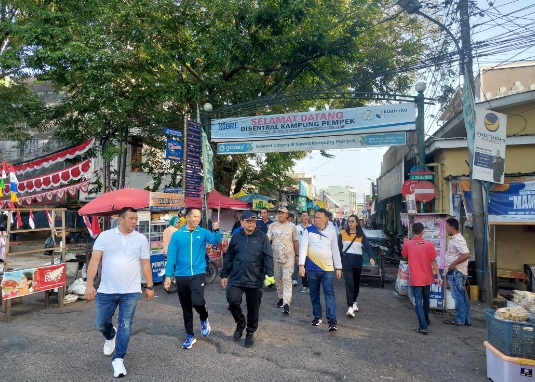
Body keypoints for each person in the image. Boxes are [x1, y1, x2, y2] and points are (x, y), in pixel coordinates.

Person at [84, 207, 154, 378]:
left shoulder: (141, 239)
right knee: (101, 323)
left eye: (136, 219)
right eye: (131, 218)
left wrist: (150, 286)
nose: (134, 221)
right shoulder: (105, 236)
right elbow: (94, 260)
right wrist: (89, 285)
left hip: (130, 290)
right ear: (120, 219)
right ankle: (110, 335)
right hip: (107, 289)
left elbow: (145, 263)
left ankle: (118, 359)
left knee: (126, 324)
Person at [163, 207, 222, 349]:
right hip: (181, 274)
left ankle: (204, 318)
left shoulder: (202, 233)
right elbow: (171, 256)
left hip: (198, 273)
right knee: (186, 307)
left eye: (199, 217)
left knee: (197, 301)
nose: (197, 219)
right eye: (194, 216)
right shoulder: (178, 235)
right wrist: (168, 276)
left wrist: (216, 230)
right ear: (187, 218)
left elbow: (215, 241)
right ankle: (189, 335)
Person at [220, 210, 274, 348]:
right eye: (248, 221)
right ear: (242, 222)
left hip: (255, 279)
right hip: (236, 277)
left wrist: (270, 274)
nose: (251, 223)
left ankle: (250, 332)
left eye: (253, 221)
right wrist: (224, 274)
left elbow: (268, 256)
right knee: (232, 301)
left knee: (253, 308)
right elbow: (229, 257)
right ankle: (240, 323)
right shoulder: (236, 237)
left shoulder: (262, 237)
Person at [298, 208, 342, 332]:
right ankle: (317, 316)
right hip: (312, 268)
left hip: (327, 269)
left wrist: (338, 267)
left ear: (326, 219)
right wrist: (301, 265)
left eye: (319, 217)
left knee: (329, 293)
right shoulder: (308, 231)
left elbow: (335, 250)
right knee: (314, 293)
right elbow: (303, 248)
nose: (317, 220)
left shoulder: (332, 231)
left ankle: (332, 321)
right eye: (315, 217)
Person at [402, 222, 442, 335]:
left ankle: (423, 326)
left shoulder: (408, 244)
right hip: (427, 277)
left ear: (412, 232)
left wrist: (404, 243)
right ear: (423, 231)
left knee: (418, 301)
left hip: (415, 277)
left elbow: (404, 256)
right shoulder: (429, 244)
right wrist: (438, 275)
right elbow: (433, 260)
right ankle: (426, 319)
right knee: (426, 299)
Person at [338, 214, 376, 317]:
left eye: (352, 221)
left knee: (356, 284)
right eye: (349, 221)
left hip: (357, 261)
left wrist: (371, 257)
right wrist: (337, 263)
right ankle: (350, 306)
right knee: (349, 283)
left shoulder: (361, 234)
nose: (350, 223)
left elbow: (367, 247)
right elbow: (338, 249)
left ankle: (354, 301)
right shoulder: (342, 233)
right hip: (346, 261)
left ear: (356, 223)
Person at [267, 207, 298, 314]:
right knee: (277, 279)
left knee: (286, 279)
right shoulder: (272, 226)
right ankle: (281, 297)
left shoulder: (292, 226)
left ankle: (286, 303)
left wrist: (297, 255)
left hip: (288, 257)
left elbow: (295, 241)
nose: (280, 215)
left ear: (286, 215)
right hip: (276, 257)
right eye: (279, 213)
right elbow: (268, 240)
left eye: (282, 213)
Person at [444, 217, 472, 326]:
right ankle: (466, 319)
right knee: (462, 295)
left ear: (451, 228)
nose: (446, 229)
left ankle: (460, 319)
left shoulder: (458, 239)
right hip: (457, 271)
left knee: (457, 296)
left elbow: (466, 254)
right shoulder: (455, 238)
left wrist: (453, 264)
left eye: (446, 227)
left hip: (457, 272)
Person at [296, 211, 311, 293]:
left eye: (307, 216)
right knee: (302, 268)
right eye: (303, 216)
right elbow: (295, 240)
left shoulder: (312, 228)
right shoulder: (297, 228)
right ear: (300, 218)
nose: (305, 217)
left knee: (310, 269)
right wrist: (296, 253)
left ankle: (310, 285)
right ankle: (305, 285)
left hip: (311, 252)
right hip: (301, 252)